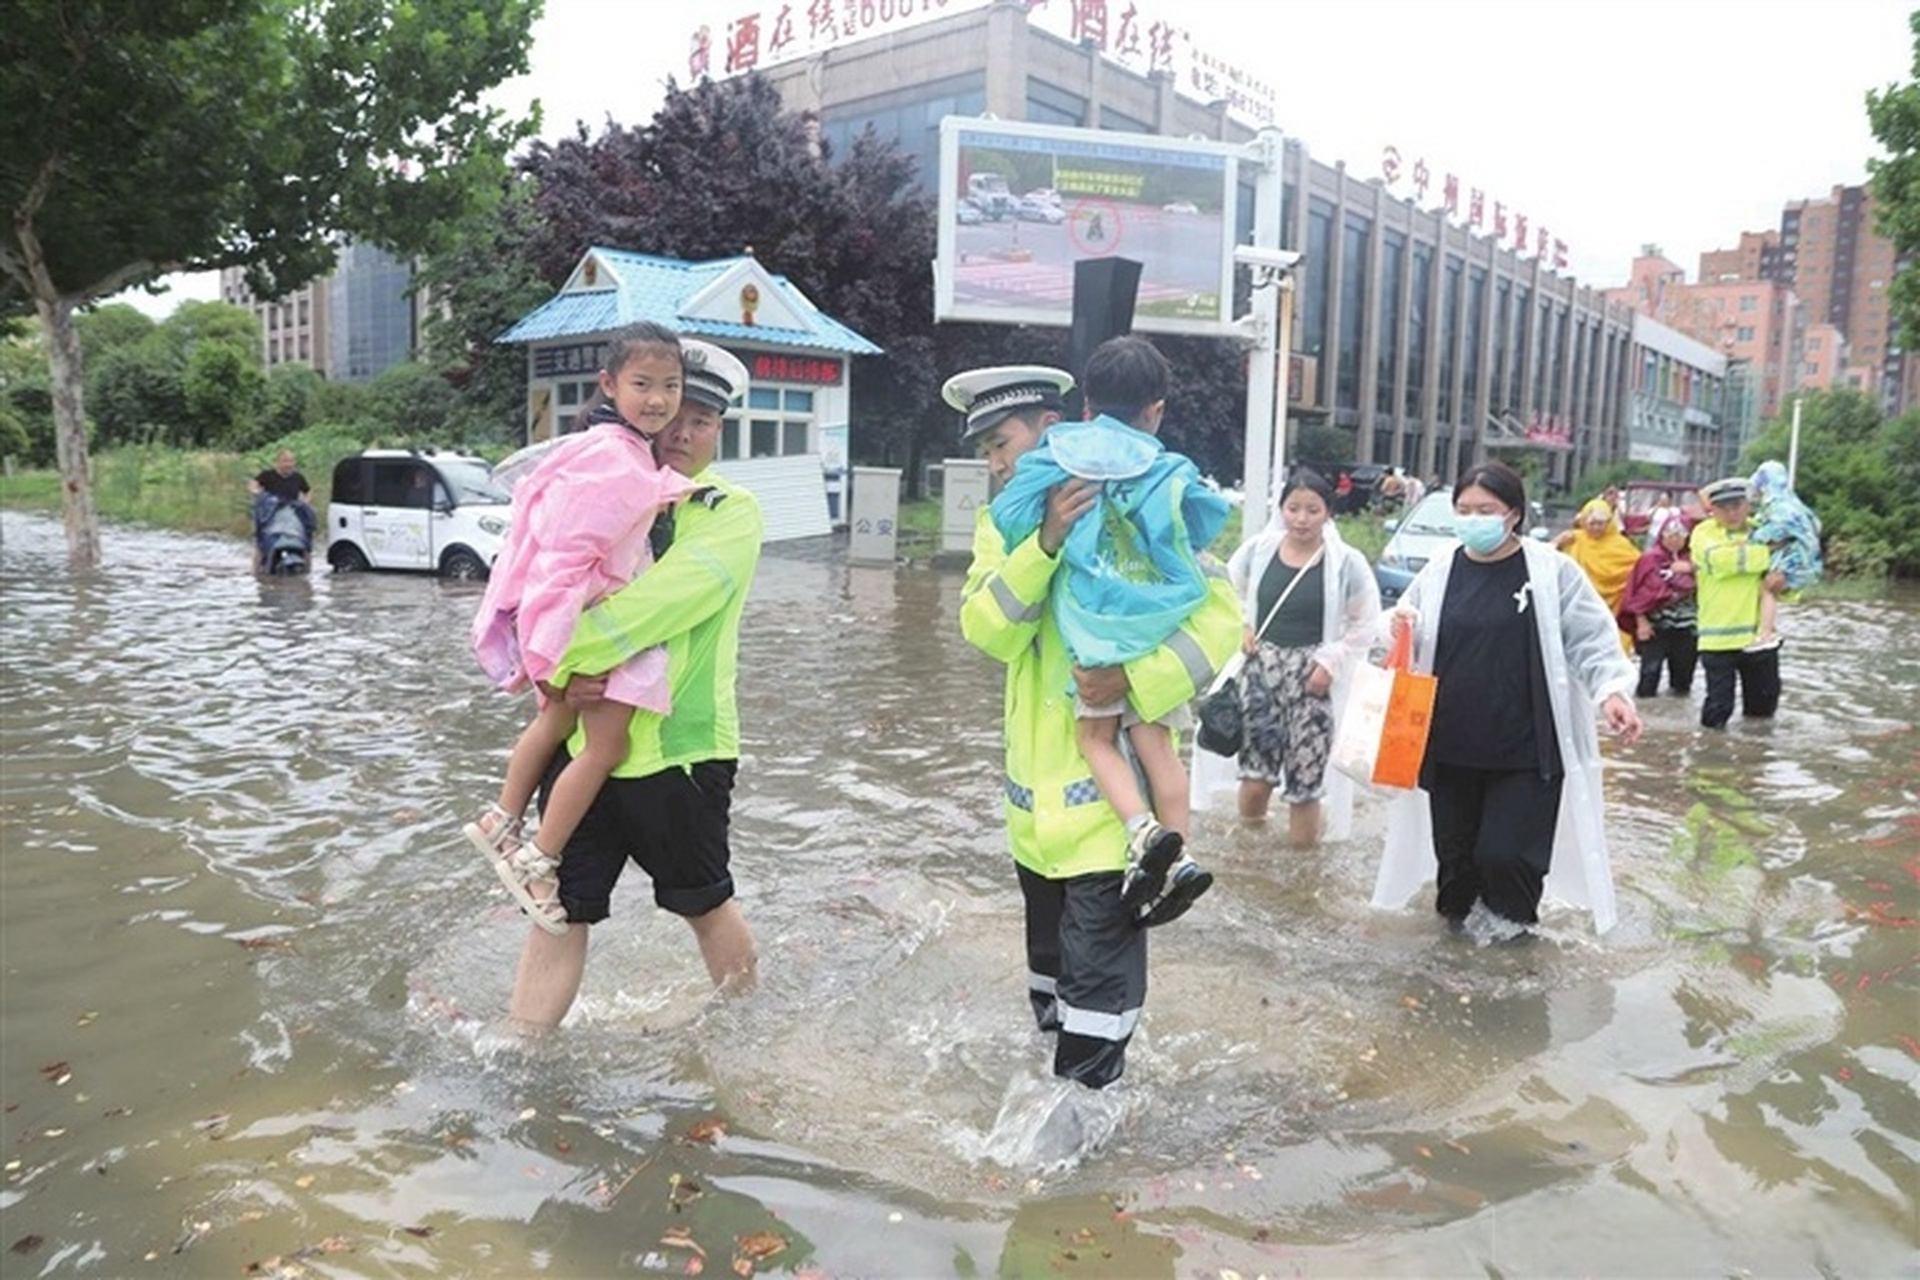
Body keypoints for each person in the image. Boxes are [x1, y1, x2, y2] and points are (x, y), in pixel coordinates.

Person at [952, 361, 1242, 1089]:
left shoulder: (1148, 506)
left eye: (1003, 441)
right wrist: (1046, 542)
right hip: (1034, 823)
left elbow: (1217, 621)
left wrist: (1133, 681)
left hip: (1115, 830)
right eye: (985, 448)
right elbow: (986, 630)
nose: (994, 462)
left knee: (1096, 1017)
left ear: (1054, 430)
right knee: (1049, 992)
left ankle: (1084, 1172)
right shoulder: (1004, 527)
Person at [506, 347, 764, 1024]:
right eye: (675, 416)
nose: (681, 432)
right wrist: (550, 663)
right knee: (557, 908)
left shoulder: (732, 512)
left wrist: (557, 659)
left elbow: (658, 605)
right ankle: (521, 1049)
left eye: (702, 421)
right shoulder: (609, 495)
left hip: (677, 754)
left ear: (718, 432)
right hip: (586, 751)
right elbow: (542, 575)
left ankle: (744, 1027)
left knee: (704, 901)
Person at [463, 325, 722, 934]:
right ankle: (538, 859)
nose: (660, 402)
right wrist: (553, 651)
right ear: (610, 385)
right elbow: (572, 550)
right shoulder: (616, 456)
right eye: (643, 385)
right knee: (607, 746)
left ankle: (502, 820)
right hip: (590, 618)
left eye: (670, 388)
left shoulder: (596, 447)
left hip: (568, 617)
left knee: (554, 720)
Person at [987, 336, 1229, 916]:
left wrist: (1045, 532)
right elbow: (1206, 519)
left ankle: (1145, 836)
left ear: (1083, 409)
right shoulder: (1170, 470)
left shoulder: (1055, 468)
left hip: (1093, 640)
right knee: (1163, 754)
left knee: (1095, 739)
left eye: (999, 445)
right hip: (1155, 625)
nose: (996, 460)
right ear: (1157, 411)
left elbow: (1008, 512)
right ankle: (1181, 860)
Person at [1374, 461, 1643, 938]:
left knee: (1506, 858)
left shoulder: (1550, 571)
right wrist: (1395, 626)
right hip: (1450, 744)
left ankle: (1515, 964)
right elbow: (1401, 632)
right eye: (1464, 509)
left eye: (1486, 509)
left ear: (1514, 514)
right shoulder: (1440, 569)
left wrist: (1611, 693)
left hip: (1526, 746)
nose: (1473, 519)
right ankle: (1452, 966)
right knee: (1455, 865)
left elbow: (1590, 639)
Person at [1222, 468, 1380, 846]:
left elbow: (1365, 624)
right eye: (1293, 508)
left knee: (1305, 781)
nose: (1302, 519)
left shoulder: (1346, 563)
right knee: (1255, 775)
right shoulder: (1257, 552)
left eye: (1312, 510)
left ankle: (1300, 866)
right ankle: (1249, 851)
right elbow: (1229, 596)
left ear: (1328, 513)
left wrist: (1331, 661)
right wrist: (1243, 627)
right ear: (1281, 509)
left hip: (1314, 679)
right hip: (1262, 670)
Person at [1690, 475, 1785, 730]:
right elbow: (1720, 561)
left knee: (1763, 711)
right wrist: (1768, 552)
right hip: (1718, 638)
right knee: (1719, 709)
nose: (1732, 513)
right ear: (1713, 509)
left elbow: (1784, 574)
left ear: (1747, 505)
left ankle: (1755, 764)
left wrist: (1782, 582)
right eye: (1724, 507)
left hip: (1759, 638)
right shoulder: (1703, 532)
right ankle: (1710, 760)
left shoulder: (1763, 530)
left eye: (1737, 505)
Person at [1617, 509, 1698, 698]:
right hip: (1656, 626)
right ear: (1661, 536)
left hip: (1688, 627)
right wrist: (1641, 622)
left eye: (1680, 535)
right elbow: (1637, 594)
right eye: (1669, 535)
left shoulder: (1696, 561)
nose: (1675, 540)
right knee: (1649, 676)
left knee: (1683, 680)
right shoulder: (1649, 560)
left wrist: (1692, 570)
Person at [1747, 459, 1822, 650]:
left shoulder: (1778, 505)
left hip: (1792, 560)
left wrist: (1754, 537)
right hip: (1806, 560)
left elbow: (1776, 529)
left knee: (1768, 589)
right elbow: (1817, 525)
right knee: (1768, 590)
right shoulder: (1795, 503)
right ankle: (1769, 629)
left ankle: (1765, 634)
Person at [1554, 497, 1640, 651]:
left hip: (1613, 610)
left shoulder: (1621, 546)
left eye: (1601, 524)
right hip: (1579, 607)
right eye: (1592, 523)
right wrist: (1557, 543)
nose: (1596, 528)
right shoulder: (1574, 540)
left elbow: (1640, 569)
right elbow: (1548, 559)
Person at [248, 449, 314, 570]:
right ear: (278, 462)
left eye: (291, 461)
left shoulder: (298, 477)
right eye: (285, 461)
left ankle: (308, 573)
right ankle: (255, 573)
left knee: (306, 544)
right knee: (260, 544)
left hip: (292, 518)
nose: (288, 464)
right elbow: (253, 484)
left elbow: (308, 491)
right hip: (270, 517)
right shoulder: (267, 475)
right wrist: (257, 493)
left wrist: (305, 503)